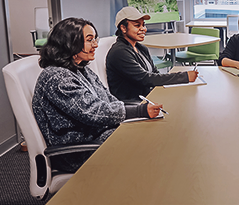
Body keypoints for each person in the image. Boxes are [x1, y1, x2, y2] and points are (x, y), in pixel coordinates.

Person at [32, 17, 163, 173]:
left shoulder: (80, 69)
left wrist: (136, 111)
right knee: (148, 145)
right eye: (89, 40)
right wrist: (139, 111)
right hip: (78, 151)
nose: (95, 45)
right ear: (70, 43)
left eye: (95, 39)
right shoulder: (56, 78)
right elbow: (92, 112)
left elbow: (107, 99)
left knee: (151, 135)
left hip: (97, 135)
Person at [106, 6, 198, 102]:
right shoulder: (119, 52)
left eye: (143, 25)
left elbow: (154, 73)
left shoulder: (141, 48)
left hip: (148, 97)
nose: (143, 29)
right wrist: (184, 77)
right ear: (123, 28)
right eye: (137, 25)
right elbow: (146, 79)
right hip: (134, 104)